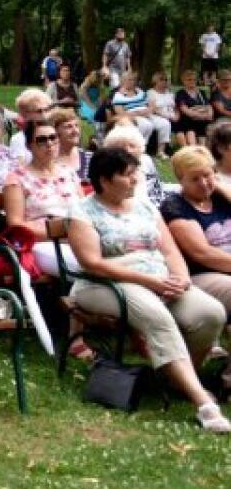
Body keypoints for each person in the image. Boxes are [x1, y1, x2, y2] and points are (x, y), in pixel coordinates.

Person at [68, 148, 229, 433]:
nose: (135, 179)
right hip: (104, 284)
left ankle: (176, 379)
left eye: (135, 173)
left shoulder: (144, 206)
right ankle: (203, 402)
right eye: (127, 175)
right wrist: (150, 282)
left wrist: (181, 279)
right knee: (156, 316)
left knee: (211, 313)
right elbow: (92, 263)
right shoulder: (82, 211)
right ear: (105, 180)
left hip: (159, 279)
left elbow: (169, 250)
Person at [161, 147, 231, 331]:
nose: (203, 183)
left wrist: (221, 188)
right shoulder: (176, 207)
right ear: (180, 181)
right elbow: (202, 254)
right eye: (194, 179)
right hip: (201, 274)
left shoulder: (220, 197)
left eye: (207, 175)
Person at [3, 119, 83, 277]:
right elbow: (15, 224)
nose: (49, 144)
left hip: (78, 237)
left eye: (53, 137)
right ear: (29, 145)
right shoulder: (17, 178)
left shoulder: (69, 173)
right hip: (42, 242)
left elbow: (84, 208)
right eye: (41, 140)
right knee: (85, 266)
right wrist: (59, 232)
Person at [100, 125, 167, 206]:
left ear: (140, 148)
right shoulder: (109, 168)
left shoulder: (146, 160)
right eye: (121, 146)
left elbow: (157, 186)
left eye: (132, 146)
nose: (128, 150)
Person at [110, 70, 169, 156]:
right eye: (129, 80)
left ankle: (161, 151)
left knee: (165, 124)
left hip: (147, 113)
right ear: (123, 81)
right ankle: (141, 150)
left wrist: (147, 111)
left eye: (133, 80)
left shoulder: (140, 91)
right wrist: (138, 113)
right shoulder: (118, 95)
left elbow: (152, 105)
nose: (132, 82)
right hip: (133, 116)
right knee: (147, 125)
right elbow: (120, 113)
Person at [173, 69, 214, 149]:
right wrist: (202, 112)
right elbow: (186, 111)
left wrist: (208, 114)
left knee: (205, 125)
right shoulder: (180, 94)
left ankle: (202, 149)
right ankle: (194, 149)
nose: (192, 81)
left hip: (201, 120)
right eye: (189, 79)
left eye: (194, 79)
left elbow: (209, 107)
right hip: (187, 120)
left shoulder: (201, 92)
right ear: (183, 81)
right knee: (192, 126)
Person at [145, 71, 180, 158]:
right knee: (165, 123)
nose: (164, 82)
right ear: (155, 81)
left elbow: (176, 108)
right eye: (161, 79)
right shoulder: (151, 93)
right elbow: (154, 109)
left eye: (166, 80)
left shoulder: (170, 93)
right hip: (155, 116)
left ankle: (181, 148)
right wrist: (168, 116)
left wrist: (177, 115)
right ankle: (161, 151)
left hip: (171, 115)